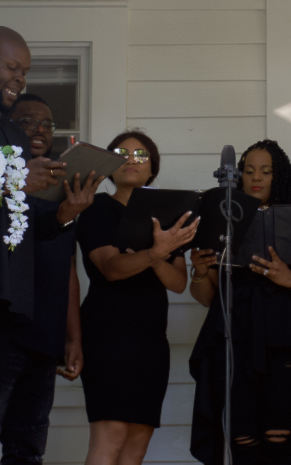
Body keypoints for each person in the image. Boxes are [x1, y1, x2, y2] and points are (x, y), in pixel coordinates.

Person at [0, 27, 92, 465]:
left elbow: (27, 219)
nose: (19, 79)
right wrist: (13, 178)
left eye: (25, 72)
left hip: (7, 290)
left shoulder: (8, 127)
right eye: (12, 67)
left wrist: (67, 211)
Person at [188, 139, 291, 465]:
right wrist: (199, 273)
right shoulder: (222, 220)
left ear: (279, 176)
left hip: (286, 342)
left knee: (281, 436)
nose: (256, 178)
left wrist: (289, 279)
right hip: (235, 340)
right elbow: (205, 297)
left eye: (266, 172)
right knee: (243, 437)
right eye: (249, 171)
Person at [0, 94, 102, 464]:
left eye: (47, 124)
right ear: (9, 127)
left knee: (28, 450)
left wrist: (73, 337)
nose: (39, 129)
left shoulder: (64, 189)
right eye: (28, 121)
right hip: (3, 331)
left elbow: (66, 267)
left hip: (45, 337)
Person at [75, 130, 199, 465]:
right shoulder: (97, 208)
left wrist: (153, 254)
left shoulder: (168, 216)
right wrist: (157, 251)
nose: (131, 159)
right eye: (121, 153)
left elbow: (177, 283)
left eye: (141, 155)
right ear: (110, 166)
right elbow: (112, 268)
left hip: (150, 339)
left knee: (136, 447)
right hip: (108, 334)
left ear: (153, 168)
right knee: (110, 436)